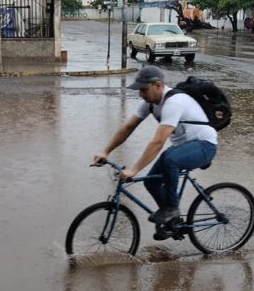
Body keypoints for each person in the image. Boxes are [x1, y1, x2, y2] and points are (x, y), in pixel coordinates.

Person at [93, 66, 218, 238]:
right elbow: (128, 127)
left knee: (170, 159)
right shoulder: (149, 104)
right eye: (139, 90)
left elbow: (158, 142)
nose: (141, 94)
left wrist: (133, 170)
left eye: (144, 89)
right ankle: (173, 222)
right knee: (151, 182)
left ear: (158, 85)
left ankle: (172, 210)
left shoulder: (174, 102)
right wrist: (105, 151)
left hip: (204, 145)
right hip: (182, 148)